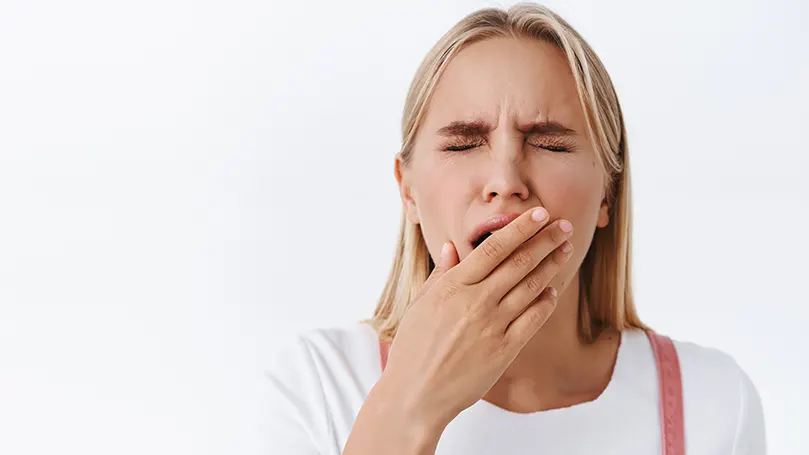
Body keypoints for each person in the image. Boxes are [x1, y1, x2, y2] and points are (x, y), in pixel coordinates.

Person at [266, 3, 766, 454]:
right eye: (463, 144)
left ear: (607, 195)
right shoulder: (316, 387)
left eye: (551, 144)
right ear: (408, 191)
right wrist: (410, 404)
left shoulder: (715, 403)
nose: (505, 182)